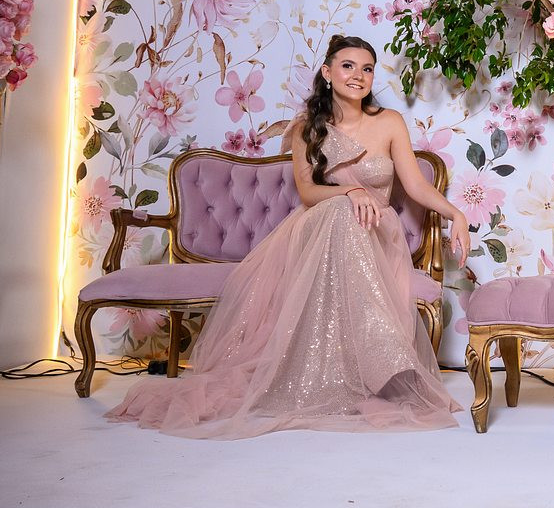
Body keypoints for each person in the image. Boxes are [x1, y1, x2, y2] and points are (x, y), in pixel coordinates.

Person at [107, 35, 471, 438]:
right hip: (320, 227)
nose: (358, 75)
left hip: (375, 233)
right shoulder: (307, 129)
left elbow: (415, 185)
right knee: (339, 211)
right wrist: (350, 192)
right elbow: (309, 193)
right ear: (327, 72)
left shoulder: (389, 123)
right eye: (348, 66)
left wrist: (455, 213)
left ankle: (375, 360)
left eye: (367, 68)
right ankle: (374, 359)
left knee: (348, 217)